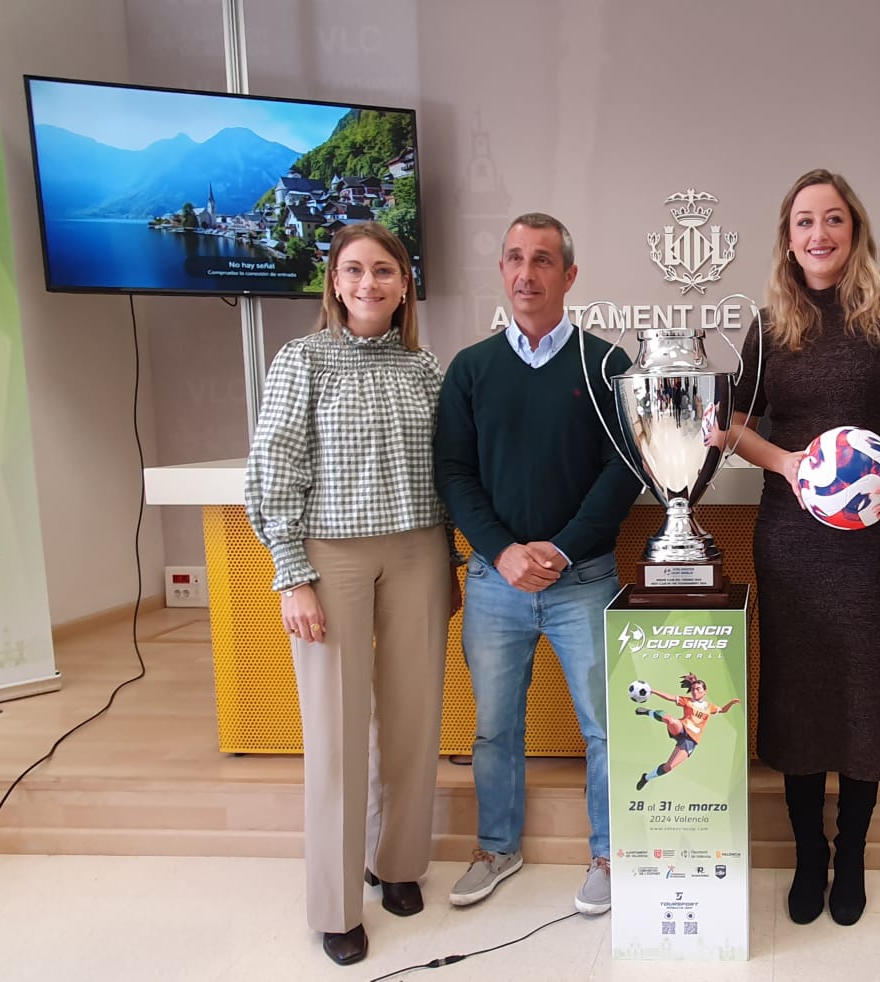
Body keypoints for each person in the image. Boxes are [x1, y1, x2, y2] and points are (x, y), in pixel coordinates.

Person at [725, 169, 880, 927]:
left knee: (862, 692)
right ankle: (807, 854)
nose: (818, 234)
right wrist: (787, 464)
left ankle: (850, 852)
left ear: (854, 229)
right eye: (802, 223)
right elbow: (735, 428)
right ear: (787, 239)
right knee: (796, 694)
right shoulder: (769, 324)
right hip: (790, 536)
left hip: (876, 536)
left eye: (832, 220)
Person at [245, 222, 460, 967]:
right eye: (354, 271)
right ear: (333, 282)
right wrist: (290, 574)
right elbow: (272, 470)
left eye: (385, 272)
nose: (369, 284)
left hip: (421, 551)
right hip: (329, 557)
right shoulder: (300, 361)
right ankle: (334, 907)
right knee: (337, 736)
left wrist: (457, 561)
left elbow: (452, 469)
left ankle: (395, 865)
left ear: (405, 286)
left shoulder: (426, 368)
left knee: (412, 719)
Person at [433, 213, 641, 916]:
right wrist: (503, 550)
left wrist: (560, 549)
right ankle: (497, 846)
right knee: (493, 727)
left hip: (583, 581)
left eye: (544, 260)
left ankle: (610, 854)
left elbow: (626, 469)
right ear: (502, 271)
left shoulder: (607, 365)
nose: (528, 273)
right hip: (495, 583)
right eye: (516, 259)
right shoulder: (470, 368)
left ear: (569, 276)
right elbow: (455, 473)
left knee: (608, 728)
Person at [632, 673, 742, 790]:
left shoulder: (710, 707)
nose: (695, 691)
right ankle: (648, 712)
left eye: (698, 689)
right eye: (693, 689)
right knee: (670, 720)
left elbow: (723, 710)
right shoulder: (687, 701)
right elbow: (670, 697)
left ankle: (646, 778)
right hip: (682, 729)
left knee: (668, 767)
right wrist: (653, 691)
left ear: (705, 691)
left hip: (691, 740)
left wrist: (731, 703)